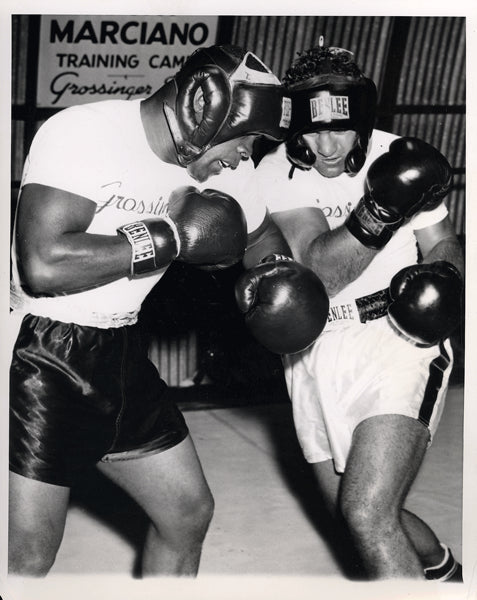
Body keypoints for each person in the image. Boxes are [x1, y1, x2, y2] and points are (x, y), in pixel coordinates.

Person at [9, 43, 327, 577]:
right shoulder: (85, 133)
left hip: (121, 350)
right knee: (27, 558)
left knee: (185, 513)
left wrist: (273, 268)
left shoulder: (222, 166)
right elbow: (43, 263)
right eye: (244, 141)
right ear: (203, 109)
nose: (243, 158)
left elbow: (258, 230)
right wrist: (171, 237)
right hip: (38, 354)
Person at [238, 41, 464, 580]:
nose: (328, 144)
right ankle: (441, 570)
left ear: (361, 116)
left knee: (367, 511)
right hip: (314, 350)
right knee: (355, 512)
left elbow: (442, 244)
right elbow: (320, 268)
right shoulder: (276, 172)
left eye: (341, 127)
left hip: (398, 339)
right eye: (313, 130)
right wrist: (380, 208)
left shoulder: (399, 154)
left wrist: (448, 278)